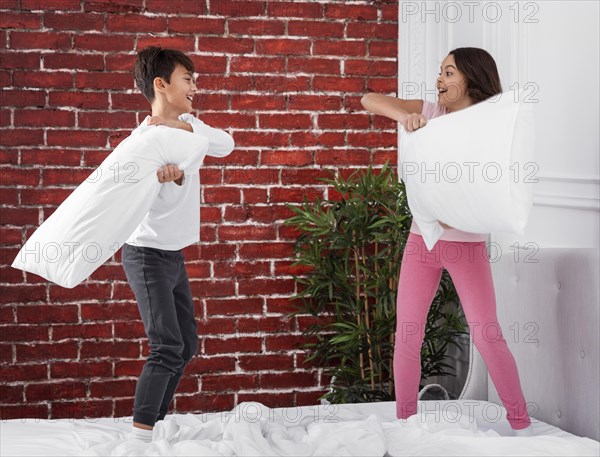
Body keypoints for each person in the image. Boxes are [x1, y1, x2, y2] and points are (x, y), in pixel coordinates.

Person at [361, 47, 533, 434]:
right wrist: (405, 115)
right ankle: (406, 421)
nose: (439, 79)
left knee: (487, 334)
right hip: (421, 240)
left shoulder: (489, 125)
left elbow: (493, 184)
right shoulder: (432, 112)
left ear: (469, 79)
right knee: (408, 333)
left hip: (465, 244)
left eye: (448, 72)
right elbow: (369, 99)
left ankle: (522, 424)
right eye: (440, 71)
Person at [122, 46, 235, 443]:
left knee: (185, 344)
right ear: (161, 84)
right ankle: (139, 437)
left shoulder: (189, 125)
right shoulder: (143, 141)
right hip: (145, 254)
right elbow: (129, 199)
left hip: (172, 254)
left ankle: (156, 423)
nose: (194, 87)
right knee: (166, 345)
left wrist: (188, 131)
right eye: (187, 79)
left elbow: (226, 145)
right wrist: (161, 179)